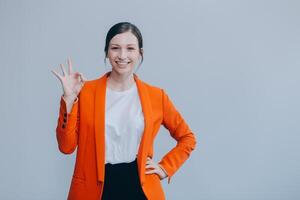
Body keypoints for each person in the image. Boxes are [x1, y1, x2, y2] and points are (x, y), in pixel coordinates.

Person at [51, 22, 197, 200]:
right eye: (115, 48)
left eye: (130, 48)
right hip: (94, 189)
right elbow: (66, 147)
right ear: (107, 52)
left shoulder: (156, 96)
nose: (122, 55)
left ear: (140, 53)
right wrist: (69, 99)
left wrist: (165, 167)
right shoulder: (86, 91)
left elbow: (187, 138)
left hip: (140, 188)